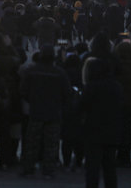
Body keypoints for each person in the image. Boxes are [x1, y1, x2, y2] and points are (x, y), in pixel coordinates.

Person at [20, 45, 71, 178]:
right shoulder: (59, 72)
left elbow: (23, 91)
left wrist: (33, 100)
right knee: (51, 144)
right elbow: (67, 93)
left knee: (32, 142)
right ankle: (49, 169)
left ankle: (28, 168)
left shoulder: (31, 71)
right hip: (54, 111)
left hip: (36, 110)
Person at [80, 57, 124, 188]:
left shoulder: (91, 87)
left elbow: (80, 106)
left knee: (92, 169)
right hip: (112, 131)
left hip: (93, 131)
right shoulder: (116, 86)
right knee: (110, 168)